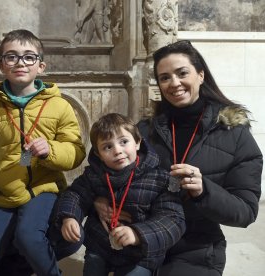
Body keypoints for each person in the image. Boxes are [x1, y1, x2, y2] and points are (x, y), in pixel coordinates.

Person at [110, 40, 261, 275]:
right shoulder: (144, 130)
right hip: (142, 242)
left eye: (182, 73)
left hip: (195, 249)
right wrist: (101, 203)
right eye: (165, 77)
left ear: (201, 75)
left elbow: (245, 212)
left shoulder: (234, 133)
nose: (174, 83)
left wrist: (204, 190)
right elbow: (110, 172)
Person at [0, 29, 86, 276]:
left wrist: (50, 150)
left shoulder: (59, 106)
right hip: (5, 190)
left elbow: (76, 151)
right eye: (11, 57)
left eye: (28, 57)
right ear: (2, 65)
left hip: (42, 187)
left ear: (41, 66)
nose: (20, 63)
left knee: (29, 237)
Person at [54, 113, 186, 276]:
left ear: (137, 143)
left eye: (124, 142)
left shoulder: (159, 178)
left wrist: (138, 234)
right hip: (100, 245)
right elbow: (75, 195)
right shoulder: (93, 175)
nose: (117, 151)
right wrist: (69, 217)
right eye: (107, 147)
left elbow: (172, 219)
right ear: (98, 154)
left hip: (140, 255)